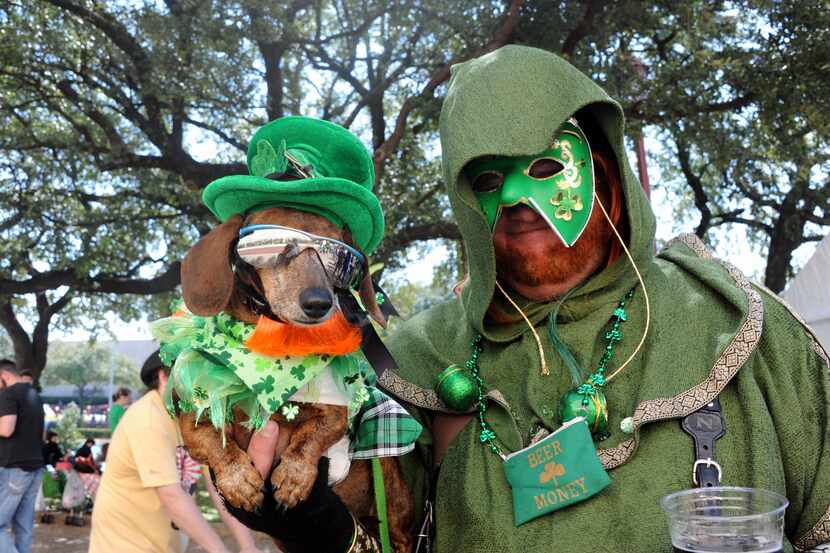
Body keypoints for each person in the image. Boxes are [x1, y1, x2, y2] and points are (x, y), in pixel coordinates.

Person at [223, 45, 830, 552]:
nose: (514, 197)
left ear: (607, 174)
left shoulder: (731, 320)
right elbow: (384, 532)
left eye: (543, 167)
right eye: (488, 180)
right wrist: (313, 528)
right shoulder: (414, 360)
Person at [89, 351, 263, 553]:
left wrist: (248, 546)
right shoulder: (148, 420)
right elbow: (171, 496)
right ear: (164, 376)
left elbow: (219, 488)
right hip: (124, 546)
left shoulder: (195, 421)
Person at [0, 359, 45, 553]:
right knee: (24, 526)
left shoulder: (8, 394)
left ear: (4, 376)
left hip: (14, 468)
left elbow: (6, 429)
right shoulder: (34, 394)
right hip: (35, 467)